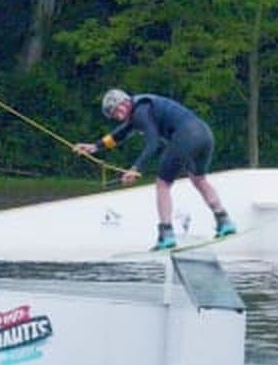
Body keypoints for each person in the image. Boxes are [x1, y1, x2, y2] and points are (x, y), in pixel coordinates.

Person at [74, 89, 236, 250]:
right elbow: (121, 133)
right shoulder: (139, 108)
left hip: (185, 136)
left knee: (162, 184)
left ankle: (166, 234)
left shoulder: (140, 111)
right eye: (113, 114)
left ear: (125, 101)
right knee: (199, 179)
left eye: (118, 109)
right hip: (204, 135)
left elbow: (153, 142)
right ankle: (224, 221)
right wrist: (95, 146)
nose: (117, 115)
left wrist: (136, 168)